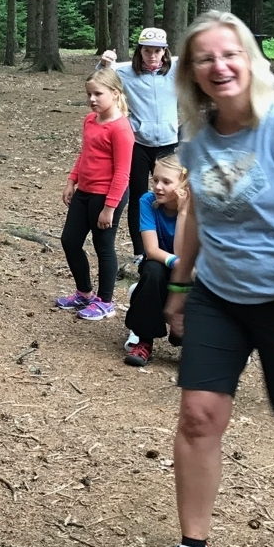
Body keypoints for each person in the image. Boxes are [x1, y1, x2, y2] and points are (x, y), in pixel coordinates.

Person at [145, 11, 274, 547]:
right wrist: (179, 286)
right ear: (191, 72)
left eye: (230, 54)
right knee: (198, 417)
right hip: (218, 297)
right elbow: (197, 212)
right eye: (205, 58)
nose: (219, 66)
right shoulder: (198, 137)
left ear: (250, 58)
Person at [56, 67, 134, 321]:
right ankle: (84, 293)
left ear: (115, 93)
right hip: (85, 192)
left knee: (103, 246)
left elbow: (122, 173)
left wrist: (109, 207)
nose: (92, 99)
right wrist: (72, 180)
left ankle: (106, 301)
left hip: (106, 196)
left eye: (98, 94)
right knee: (70, 241)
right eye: (89, 94)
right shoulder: (90, 120)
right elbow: (85, 154)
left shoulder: (120, 129)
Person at [99, 27, 179, 254]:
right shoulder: (125, 73)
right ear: (140, 51)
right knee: (138, 197)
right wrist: (104, 63)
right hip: (138, 144)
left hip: (168, 143)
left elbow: (199, 61)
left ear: (165, 52)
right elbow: (102, 80)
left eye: (157, 51)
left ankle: (171, 248)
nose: (152, 56)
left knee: (172, 195)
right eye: (147, 51)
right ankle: (139, 251)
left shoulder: (175, 70)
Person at [123, 154, 189, 367]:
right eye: (155, 180)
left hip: (190, 270)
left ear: (183, 184)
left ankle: (188, 340)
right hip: (163, 264)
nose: (158, 187)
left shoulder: (196, 206)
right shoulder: (147, 201)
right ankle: (144, 340)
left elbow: (184, 252)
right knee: (152, 270)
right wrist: (176, 263)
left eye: (167, 182)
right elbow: (151, 250)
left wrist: (183, 212)